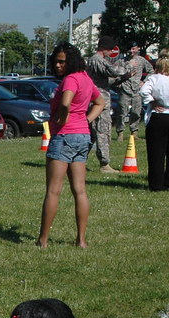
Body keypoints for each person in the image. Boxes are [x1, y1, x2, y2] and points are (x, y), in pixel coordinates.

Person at [37, 44, 104, 250]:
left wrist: (62, 118)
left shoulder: (71, 79)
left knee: (53, 191)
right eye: (56, 61)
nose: (58, 65)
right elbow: (100, 102)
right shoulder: (85, 77)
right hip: (82, 136)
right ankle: (81, 240)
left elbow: (65, 102)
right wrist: (87, 120)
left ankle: (43, 240)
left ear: (71, 61)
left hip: (64, 136)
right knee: (80, 190)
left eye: (62, 61)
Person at [86, 35, 129, 174]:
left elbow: (106, 81)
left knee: (93, 133)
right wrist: (127, 67)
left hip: (101, 99)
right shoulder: (97, 60)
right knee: (101, 130)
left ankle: (79, 160)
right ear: (105, 49)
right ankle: (104, 164)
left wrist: (123, 78)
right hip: (99, 102)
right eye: (111, 49)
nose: (112, 53)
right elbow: (113, 71)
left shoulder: (97, 61)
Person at [140, 55, 169, 191]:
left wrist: (152, 100)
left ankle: (156, 184)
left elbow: (143, 91)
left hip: (158, 116)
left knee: (156, 152)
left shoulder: (154, 79)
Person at [114, 41, 153, 141]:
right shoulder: (121, 61)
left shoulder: (141, 60)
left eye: (133, 49)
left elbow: (151, 71)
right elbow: (114, 73)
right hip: (125, 90)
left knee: (136, 112)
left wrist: (144, 82)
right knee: (122, 112)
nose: (131, 51)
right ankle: (120, 133)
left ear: (137, 49)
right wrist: (120, 82)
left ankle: (134, 132)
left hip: (137, 90)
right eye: (130, 49)